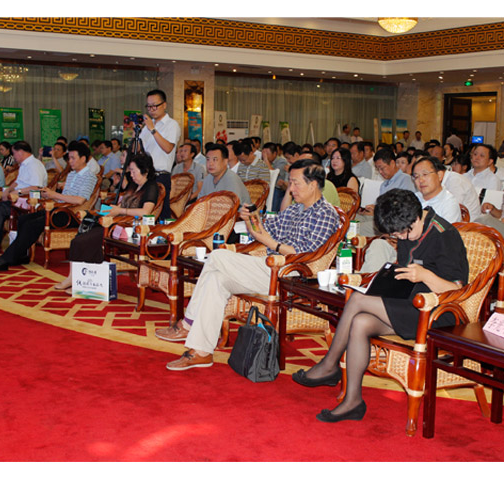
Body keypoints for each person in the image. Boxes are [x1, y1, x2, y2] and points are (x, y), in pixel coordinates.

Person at [294, 189, 468, 422]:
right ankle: (353, 401)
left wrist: (425, 275)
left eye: (405, 232)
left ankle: (329, 365)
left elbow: (457, 290)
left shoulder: (444, 235)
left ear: (417, 216)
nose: (402, 238)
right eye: (396, 234)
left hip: (438, 313)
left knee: (357, 300)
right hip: (410, 306)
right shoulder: (406, 229)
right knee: (360, 322)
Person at [155, 160, 341, 370]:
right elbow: (265, 229)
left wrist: (272, 243)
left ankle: (188, 323)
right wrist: (252, 219)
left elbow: (306, 254)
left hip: (291, 275)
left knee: (217, 257)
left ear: (313, 185)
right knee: (216, 279)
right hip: (270, 267)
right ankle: (202, 351)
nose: (291, 189)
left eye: (295, 183)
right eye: (290, 183)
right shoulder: (295, 210)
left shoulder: (325, 213)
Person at [0, 141, 98, 272]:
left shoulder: (89, 176)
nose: (70, 161)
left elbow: (80, 200)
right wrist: (49, 194)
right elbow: (65, 197)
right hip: (60, 209)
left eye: (73, 158)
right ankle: (21, 255)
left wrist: (54, 195)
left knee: (31, 225)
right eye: (69, 158)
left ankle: (5, 260)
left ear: (83, 158)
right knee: (24, 219)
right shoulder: (71, 175)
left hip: (72, 216)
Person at [52, 153, 159, 290]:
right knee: (80, 237)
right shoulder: (134, 185)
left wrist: (120, 211)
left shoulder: (151, 187)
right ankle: (76, 278)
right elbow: (123, 204)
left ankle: (77, 279)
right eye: (130, 171)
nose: (131, 175)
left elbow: (146, 212)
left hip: (126, 226)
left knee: (83, 241)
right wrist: (111, 210)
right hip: (114, 220)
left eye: (133, 171)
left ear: (145, 171)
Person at [0, 141, 48, 254]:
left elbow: (37, 187)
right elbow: (18, 182)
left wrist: (18, 191)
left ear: (21, 152)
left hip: (29, 201)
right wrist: (8, 190)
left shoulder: (35, 165)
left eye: (14, 153)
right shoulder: (24, 164)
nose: (13, 156)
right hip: (18, 199)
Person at [139, 89, 180, 220]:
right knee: (146, 214)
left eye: (155, 106)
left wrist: (152, 129)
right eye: (148, 106)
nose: (151, 110)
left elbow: (168, 148)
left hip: (160, 176)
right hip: (145, 175)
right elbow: (139, 150)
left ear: (164, 105)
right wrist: (136, 132)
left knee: (161, 214)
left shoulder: (172, 125)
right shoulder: (147, 126)